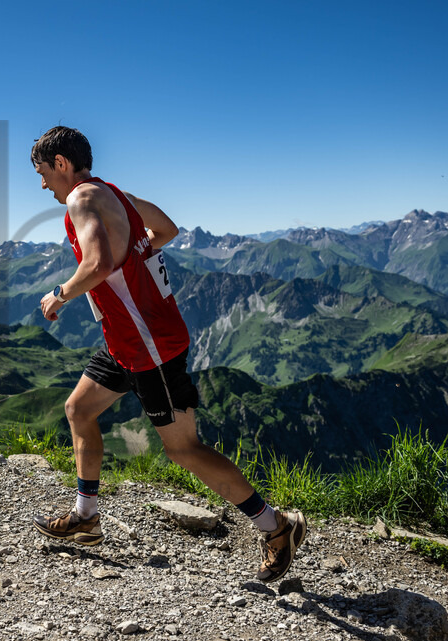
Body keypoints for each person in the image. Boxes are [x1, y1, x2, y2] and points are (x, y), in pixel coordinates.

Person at [30, 126, 307, 583]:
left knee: (183, 449)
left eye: (42, 173)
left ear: (61, 163)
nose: (43, 185)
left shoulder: (81, 200)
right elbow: (167, 230)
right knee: (79, 408)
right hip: (125, 341)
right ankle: (86, 518)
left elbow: (98, 265)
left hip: (149, 347)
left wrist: (61, 293)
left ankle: (277, 528)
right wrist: (134, 261)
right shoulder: (115, 194)